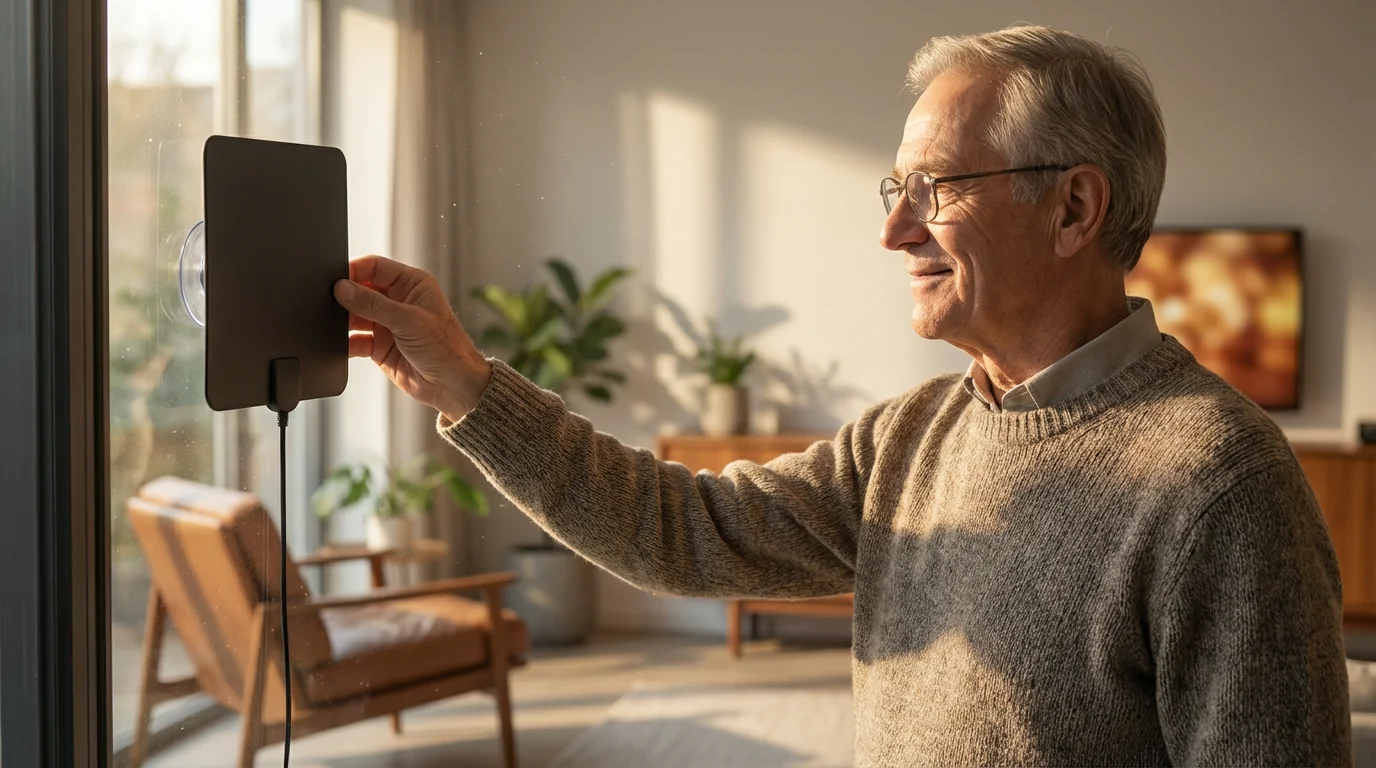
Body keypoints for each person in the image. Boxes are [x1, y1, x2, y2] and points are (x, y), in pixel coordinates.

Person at [332, 24, 1350, 766]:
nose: (893, 231)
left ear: (1073, 207)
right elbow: (675, 530)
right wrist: (466, 385)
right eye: (892, 189)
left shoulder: (1217, 484)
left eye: (936, 189)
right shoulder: (911, 436)